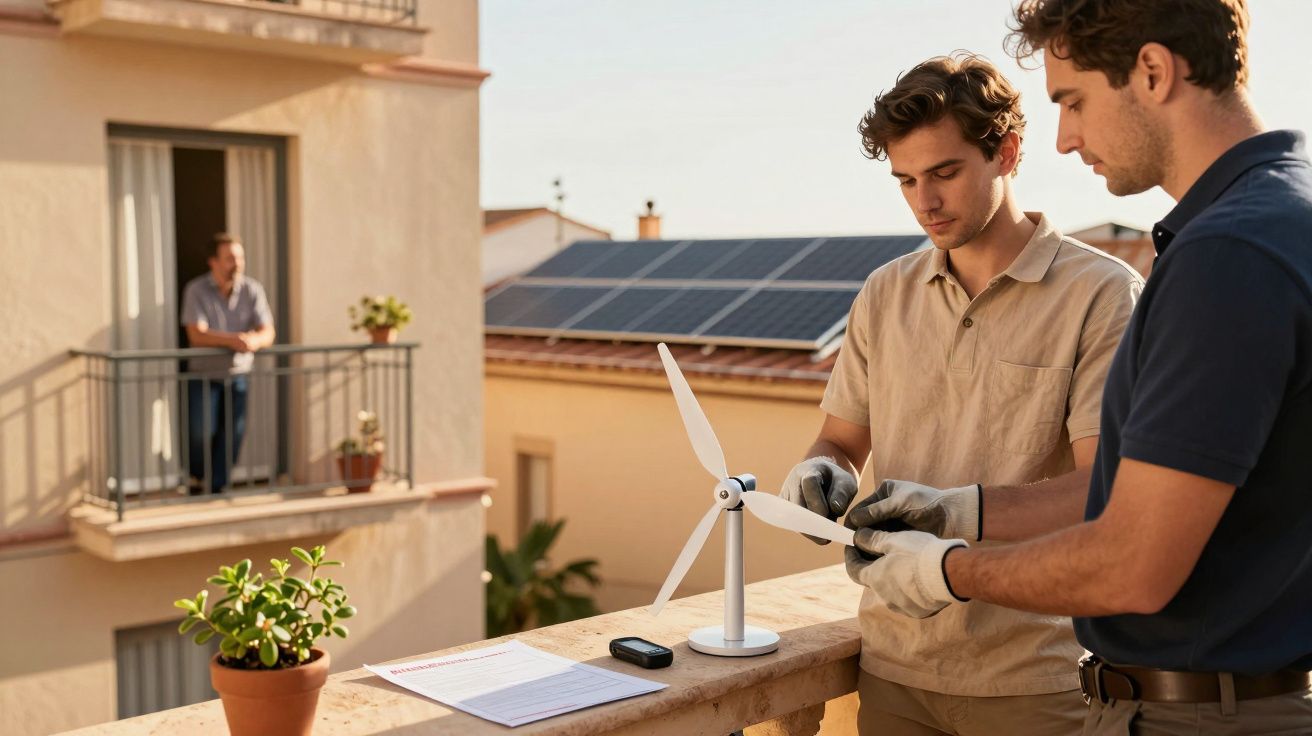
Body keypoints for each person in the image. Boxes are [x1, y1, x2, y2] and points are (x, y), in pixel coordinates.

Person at [848, 2, 1312, 733]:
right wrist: (954, 511)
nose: (1065, 138)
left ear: (1154, 72)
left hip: (1194, 714)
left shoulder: (1229, 255)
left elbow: (1132, 561)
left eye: (1073, 100)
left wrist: (947, 568)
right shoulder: (1284, 215)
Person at [779, 53, 1142, 735]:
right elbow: (841, 439)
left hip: (1037, 678)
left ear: (1005, 152)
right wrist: (821, 469)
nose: (925, 201)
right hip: (892, 668)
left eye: (944, 173)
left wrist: (958, 513)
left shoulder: (1102, 296)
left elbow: (1106, 491)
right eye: (906, 180)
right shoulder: (885, 293)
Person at [180, 232, 275, 494]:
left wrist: (253, 341)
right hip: (203, 375)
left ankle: (217, 486)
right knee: (201, 432)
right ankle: (198, 477)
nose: (238, 263)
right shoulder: (196, 290)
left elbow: (268, 332)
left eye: (240, 257)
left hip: (238, 374)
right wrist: (234, 340)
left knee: (233, 433)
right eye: (231, 258)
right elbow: (196, 334)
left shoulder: (252, 289)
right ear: (213, 262)